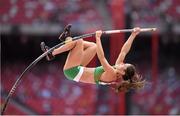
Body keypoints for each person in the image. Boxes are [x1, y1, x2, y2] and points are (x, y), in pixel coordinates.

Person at [41, 27, 145, 92]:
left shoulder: (112, 74)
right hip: (79, 68)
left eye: (124, 66)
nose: (122, 63)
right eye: (124, 63)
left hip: (72, 72)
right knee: (93, 47)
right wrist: (133, 35)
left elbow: (102, 57)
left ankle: (51, 53)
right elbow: (124, 51)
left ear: (123, 73)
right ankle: (67, 40)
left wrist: (98, 37)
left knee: (79, 42)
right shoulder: (118, 68)